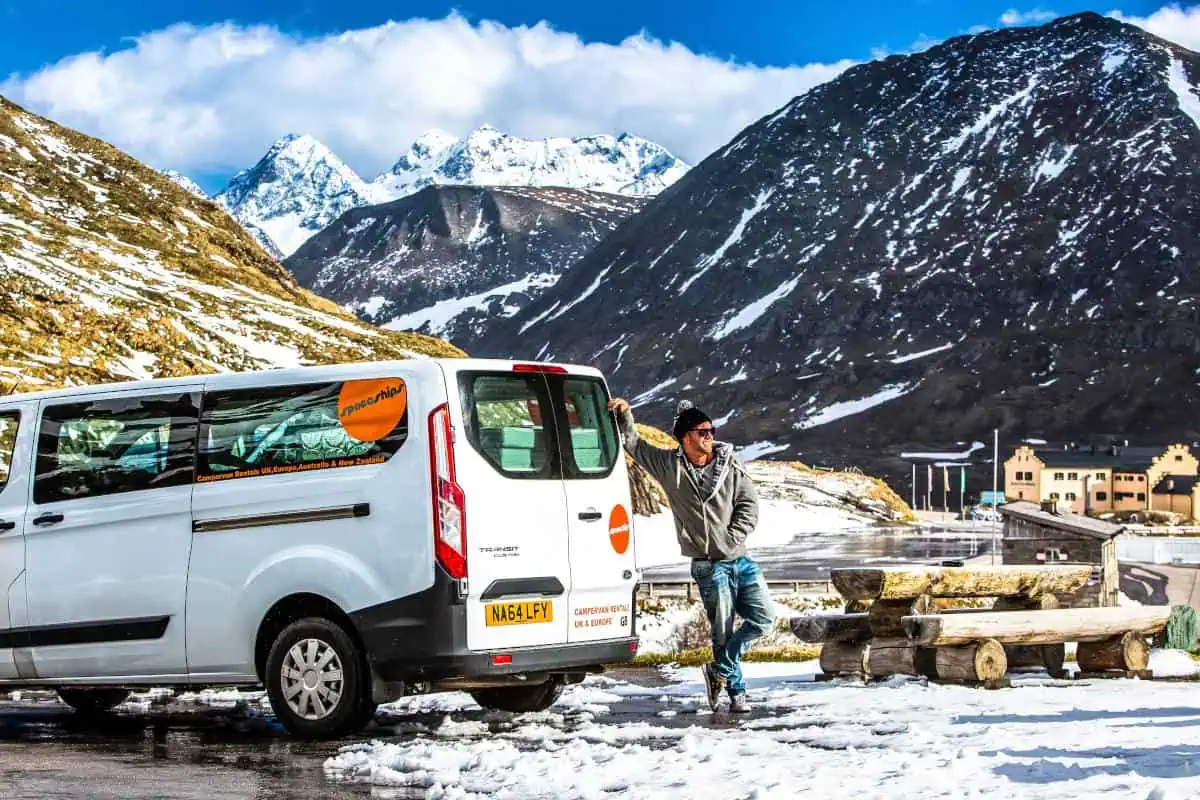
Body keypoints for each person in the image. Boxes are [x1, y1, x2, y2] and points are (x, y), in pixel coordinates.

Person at [607, 396, 772, 713]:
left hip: (740, 559)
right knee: (721, 631)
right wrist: (624, 414)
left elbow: (749, 505)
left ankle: (719, 670)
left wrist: (731, 537)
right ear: (685, 437)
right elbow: (634, 444)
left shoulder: (730, 465)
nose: (709, 436)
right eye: (702, 431)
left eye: (711, 430)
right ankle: (737, 693)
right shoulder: (669, 466)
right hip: (708, 566)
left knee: (764, 620)